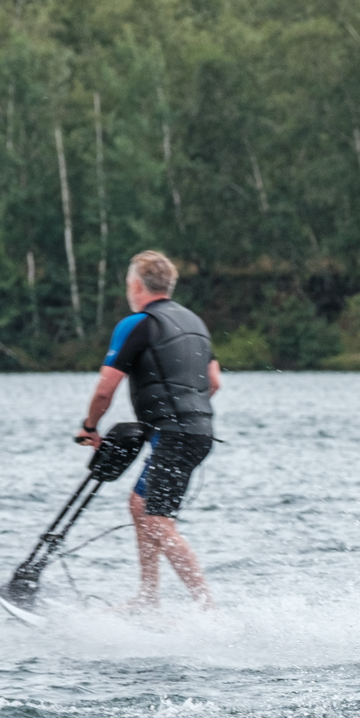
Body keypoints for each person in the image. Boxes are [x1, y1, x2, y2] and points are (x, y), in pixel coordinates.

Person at [77, 250, 222, 611]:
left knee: (157, 520)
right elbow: (214, 381)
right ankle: (147, 597)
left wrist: (90, 427)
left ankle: (209, 608)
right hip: (200, 431)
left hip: (175, 434)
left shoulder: (137, 323)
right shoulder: (194, 322)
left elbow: (105, 390)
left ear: (136, 286)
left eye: (129, 282)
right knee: (140, 504)